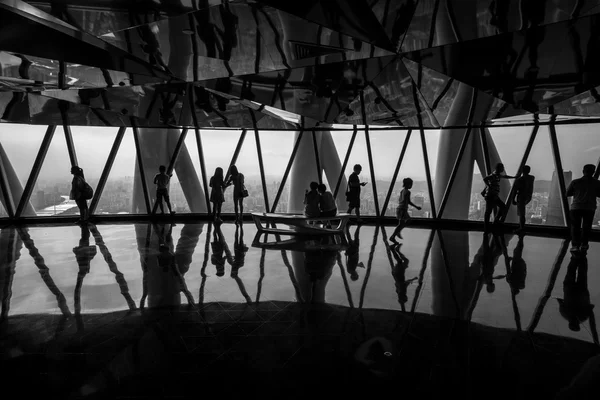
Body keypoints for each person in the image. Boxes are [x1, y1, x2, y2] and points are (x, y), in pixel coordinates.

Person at [566, 164, 600, 252]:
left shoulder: (575, 182)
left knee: (575, 227)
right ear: (593, 172)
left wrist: (578, 193)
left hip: (576, 207)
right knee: (587, 227)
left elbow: (567, 193)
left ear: (583, 171)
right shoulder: (597, 183)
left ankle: (575, 246)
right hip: (589, 208)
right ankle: (584, 244)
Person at [482, 163, 517, 232]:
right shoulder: (494, 175)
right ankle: (492, 223)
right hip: (491, 195)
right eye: (502, 168)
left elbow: (505, 176)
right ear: (499, 168)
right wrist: (489, 186)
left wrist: (514, 177)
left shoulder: (497, 175)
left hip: (492, 195)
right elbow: (485, 179)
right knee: (493, 210)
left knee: (489, 211)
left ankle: (488, 226)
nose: (503, 169)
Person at [389, 178, 422, 243]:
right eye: (411, 184)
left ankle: (396, 233)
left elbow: (401, 200)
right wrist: (416, 207)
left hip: (400, 208)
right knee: (408, 221)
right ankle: (394, 235)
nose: (411, 186)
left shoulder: (402, 191)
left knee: (401, 223)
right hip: (402, 209)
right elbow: (409, 201)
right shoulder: (408, 192)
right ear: (408, 184)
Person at [512, 165, 535, 233]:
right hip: (528, 196)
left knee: (521, 214)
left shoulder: (520, 180)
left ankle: (521, 228)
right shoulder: (531, 178)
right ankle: (522, 228)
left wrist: (513, 199)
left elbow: (515, 190)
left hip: (521, 197)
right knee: (522, 213)